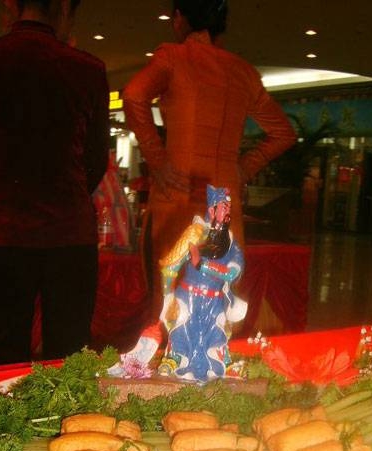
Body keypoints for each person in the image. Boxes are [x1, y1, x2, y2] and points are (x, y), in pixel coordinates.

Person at [123, 0, 296, 319]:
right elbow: (284, 133)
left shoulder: (174, 57)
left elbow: (134, 95)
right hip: (224, 201)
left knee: (169, 298)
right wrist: (244, 168)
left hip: (176, 194)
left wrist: (157, 160)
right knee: (218, 297)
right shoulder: (243, 72)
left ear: (179, 18)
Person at [0, 0, 109, 364]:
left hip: (1, 231)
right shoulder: (89, 69)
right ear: (63, 9)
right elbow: (96, 160)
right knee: (69, 357)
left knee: (0, 356)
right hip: (69, 233)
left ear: (11, 5)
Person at [157, 185, 246, 383]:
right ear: (212, 210)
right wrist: (167, 295)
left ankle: (222, 363)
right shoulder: (195, 234)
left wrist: (202, 265)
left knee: (217, 332)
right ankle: (174, 359)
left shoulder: (231, 243)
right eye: (223, 208)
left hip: (215, 300)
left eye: (229, 209)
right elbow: (170, 266)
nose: (227, 213)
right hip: (188, 296)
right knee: (182, 327)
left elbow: (232, 273)